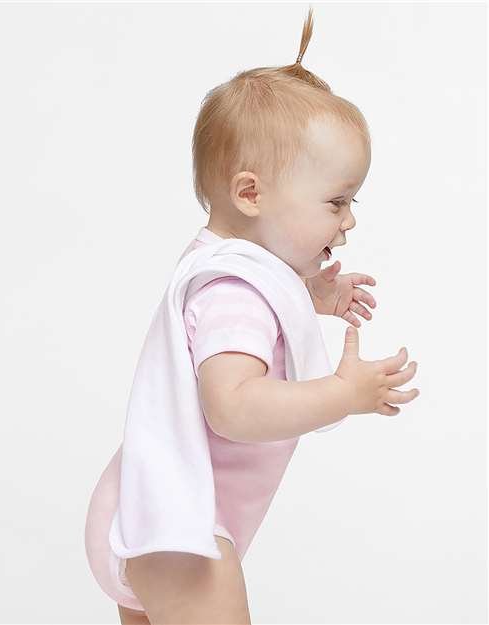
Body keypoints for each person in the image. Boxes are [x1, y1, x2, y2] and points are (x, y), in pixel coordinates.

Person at [84, 7, 420, 624]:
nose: (349, 220)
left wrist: (308, 297)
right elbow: (233, 406)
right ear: (250, 194)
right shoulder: (233, 293)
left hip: (151, 514)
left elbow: (239, 324)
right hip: (182, 531)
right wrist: (341, 394)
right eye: (336, 201)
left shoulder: (224, 269)